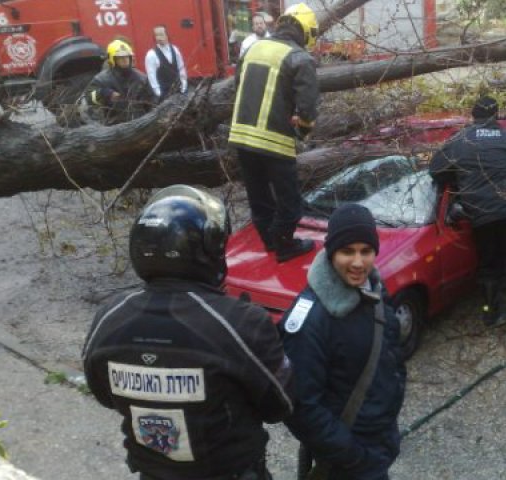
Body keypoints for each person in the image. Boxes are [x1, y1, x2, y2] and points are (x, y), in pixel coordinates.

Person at [82, 185, 293, 480]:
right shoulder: (241, 323)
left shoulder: (109, 317)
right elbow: (278, 405)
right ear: (207, 250)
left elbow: (104, 394)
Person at [280, 203, 406, 480]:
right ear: (330, 252)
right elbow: (302, 407)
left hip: (379, 443)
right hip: (348, 461)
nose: (358, 262)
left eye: (366, 251)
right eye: (347, 251)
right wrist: (354, 457)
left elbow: (392, 353)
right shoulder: (310, 320)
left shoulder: (374, 291)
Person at [429, 96, 506, 334]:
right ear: (496, 115)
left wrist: (457, 178)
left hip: (481, 214)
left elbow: (435, 170)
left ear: (473, 115)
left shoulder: (459, 141)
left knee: (489, 264)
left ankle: (490, 313)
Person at [228, 2, 320, 263]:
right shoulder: (300, 58)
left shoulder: (254, 48)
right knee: (290, 202)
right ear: (305, 31)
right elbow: (308, 107)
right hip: (275, 141)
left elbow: (239, 87)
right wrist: (303, 129)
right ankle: (285, 245)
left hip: (241, 138)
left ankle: (269, 241)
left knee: (259, 197)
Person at [87, 39, 154, 125]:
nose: (125, 60)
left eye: (127, 57)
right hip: (115, 127)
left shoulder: (141, 78)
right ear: (112, 59)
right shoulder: (102, 79)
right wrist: (104, 93)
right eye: (120, 58)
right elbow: (89, 98)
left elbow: (152, 102)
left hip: (139, 125)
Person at [144, 25, 188, 101]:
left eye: (161, 34)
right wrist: (159, 94)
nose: (158, 38)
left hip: (179, 91)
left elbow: (181, 68)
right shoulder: (151, 54)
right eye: (156, 35)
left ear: (167, 35)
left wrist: (184, 84)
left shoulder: (175, 49)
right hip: (164, 94)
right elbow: (151, 76)